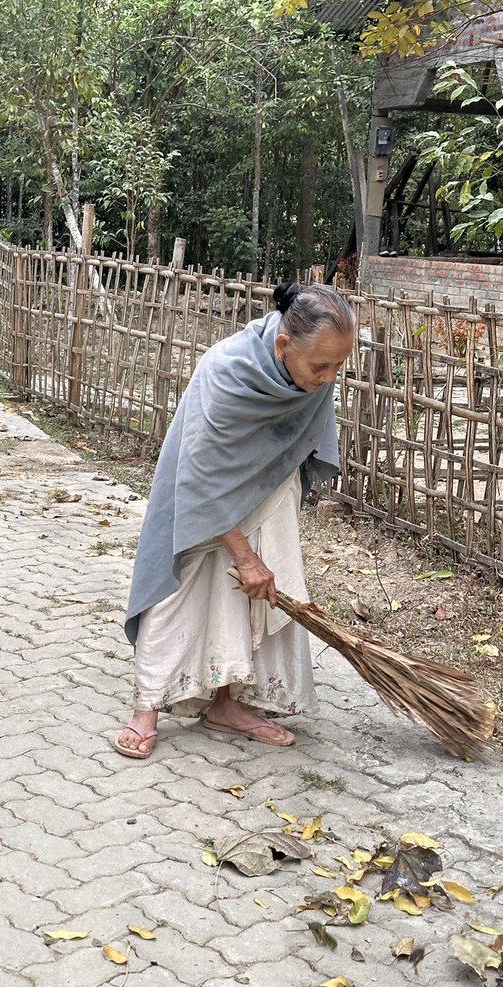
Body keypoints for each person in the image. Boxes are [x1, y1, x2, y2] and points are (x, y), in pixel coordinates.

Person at [114, 281, 355, 759]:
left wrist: (255, 556)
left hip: (269, 494)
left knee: (252, 602)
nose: (328, 378)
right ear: (283, 345)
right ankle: (146, 709)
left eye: (338, 366)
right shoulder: (227, 370)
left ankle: (228, 704)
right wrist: (243, 555)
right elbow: (201, 474)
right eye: (320, 366)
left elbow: (296, 443)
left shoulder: (310, 372)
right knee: (178, 591)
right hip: (199, 501)